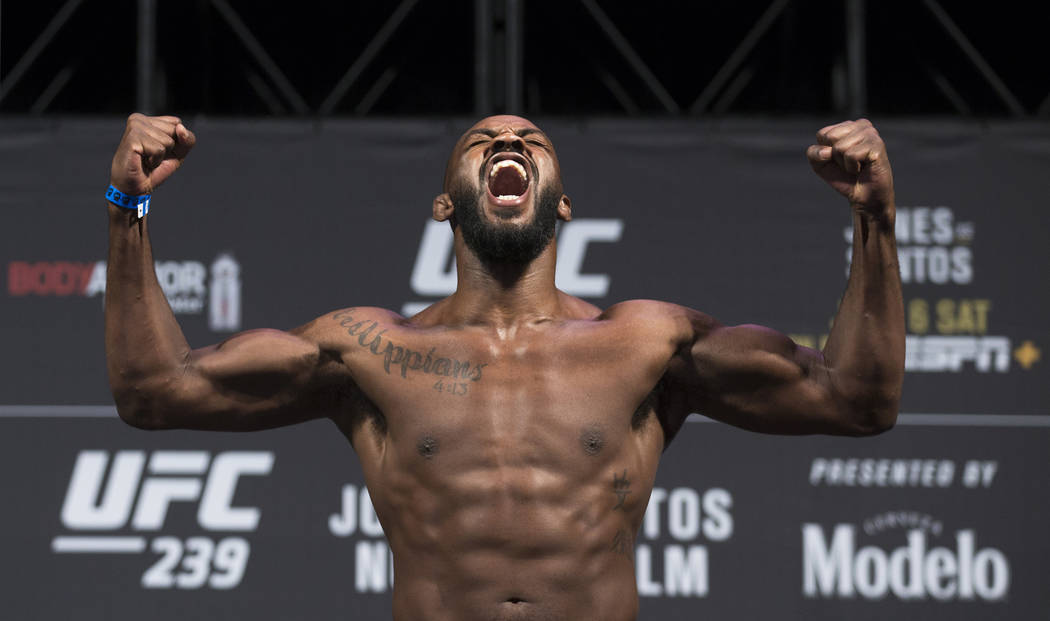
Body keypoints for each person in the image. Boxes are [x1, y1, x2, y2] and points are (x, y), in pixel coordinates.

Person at [104, 113, 904, 621]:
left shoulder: (649, 343)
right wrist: (127, 208)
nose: (510, 145)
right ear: (447, 202)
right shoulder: (367, 350)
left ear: (560, 203)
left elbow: (854, 398)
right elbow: (155, 391)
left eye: (532, 142)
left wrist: (875, 222)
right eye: (482, 142)